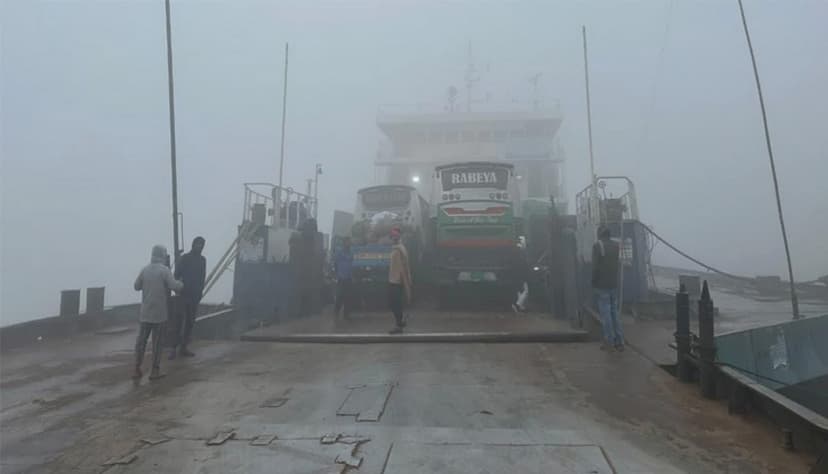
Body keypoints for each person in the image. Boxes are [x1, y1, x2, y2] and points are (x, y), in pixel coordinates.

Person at [134, 245, 183, 380]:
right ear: (163, 255)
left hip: (145, 314)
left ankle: (136, 369)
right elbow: (174, 286)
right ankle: (155, 371)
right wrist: (182, 283)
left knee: (141, 342)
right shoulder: (164, 270)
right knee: (157, 343)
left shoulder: (145, 270)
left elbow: (136, 286)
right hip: (159, 314)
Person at [170, 236, 206, 359]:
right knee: (178, 321)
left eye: (201, 245)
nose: (199, 247)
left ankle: (183, 347)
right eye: (198, 244)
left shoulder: (202, 260)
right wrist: (178, 288)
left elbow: (202, 278)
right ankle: (173, 349)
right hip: (183, 294)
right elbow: (176, 274)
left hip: (195, 296)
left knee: (190, 322)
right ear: (193, 244)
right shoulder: (185, 258)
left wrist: (200, 292)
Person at [592, 225, 624, 351]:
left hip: (602, 285)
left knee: (606, 315)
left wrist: (593, 282)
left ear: (599, 234)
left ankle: (609, 341)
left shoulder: (597, 246)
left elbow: (595, 267)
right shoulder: (616, 246)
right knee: (614, 313)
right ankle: (619, 341)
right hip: (613, 284)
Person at [387, 227, 412, 334]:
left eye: (395, 236)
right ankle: (399, 323)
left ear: (398, 237)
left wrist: (405, 280)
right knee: (394, 303)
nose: (393, 238)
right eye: (392, 236)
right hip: (393, 279)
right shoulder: (396, 248)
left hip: (397, 280)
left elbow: (404, 266)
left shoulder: (399, 249)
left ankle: (399, 325)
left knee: (395, 303)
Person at [333, 237, 354, 320]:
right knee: (339, 296)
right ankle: (336, 312)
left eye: (349, 242)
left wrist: (352, 275)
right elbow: (335, 263)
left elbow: (351, 264)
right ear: (344, 243)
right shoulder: (339, 252)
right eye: (347, 242)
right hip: (341, 278)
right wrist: (336, 274)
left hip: (348, 278)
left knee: (348, 297)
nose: (348, 244)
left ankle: (346, 314)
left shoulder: (351, 253)